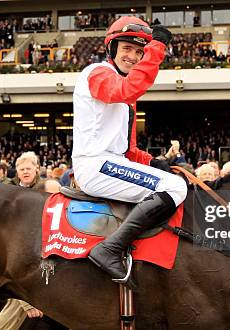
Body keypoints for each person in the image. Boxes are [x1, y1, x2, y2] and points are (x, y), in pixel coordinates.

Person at [71, 16, 187, 286]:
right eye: (127, 49)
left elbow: (127, 149)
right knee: (174, 188)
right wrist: (155, 48)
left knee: (172, 180)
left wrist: (153, 162)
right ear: (111, 49)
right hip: (95, 165)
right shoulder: (97, 73)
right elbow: (127, 88)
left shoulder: (126, 101)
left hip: (109, 163)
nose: (133, 56)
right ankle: (109, 249)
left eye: (139, 52)